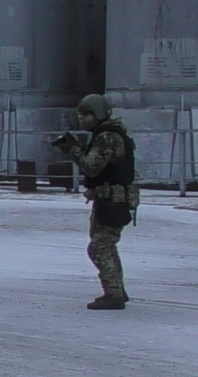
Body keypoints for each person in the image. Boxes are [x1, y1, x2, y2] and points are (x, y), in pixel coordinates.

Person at [53, 94, 138, 310]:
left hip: (114, 200)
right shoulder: (106, 134)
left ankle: (113, 294)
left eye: (86, 115)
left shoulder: (107, 137)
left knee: (99, 248)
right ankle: (117, 289)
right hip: (109, 198)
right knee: (106, 245)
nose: (82, 120)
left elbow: (92, 166)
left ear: (98, 114)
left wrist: (71, 148)